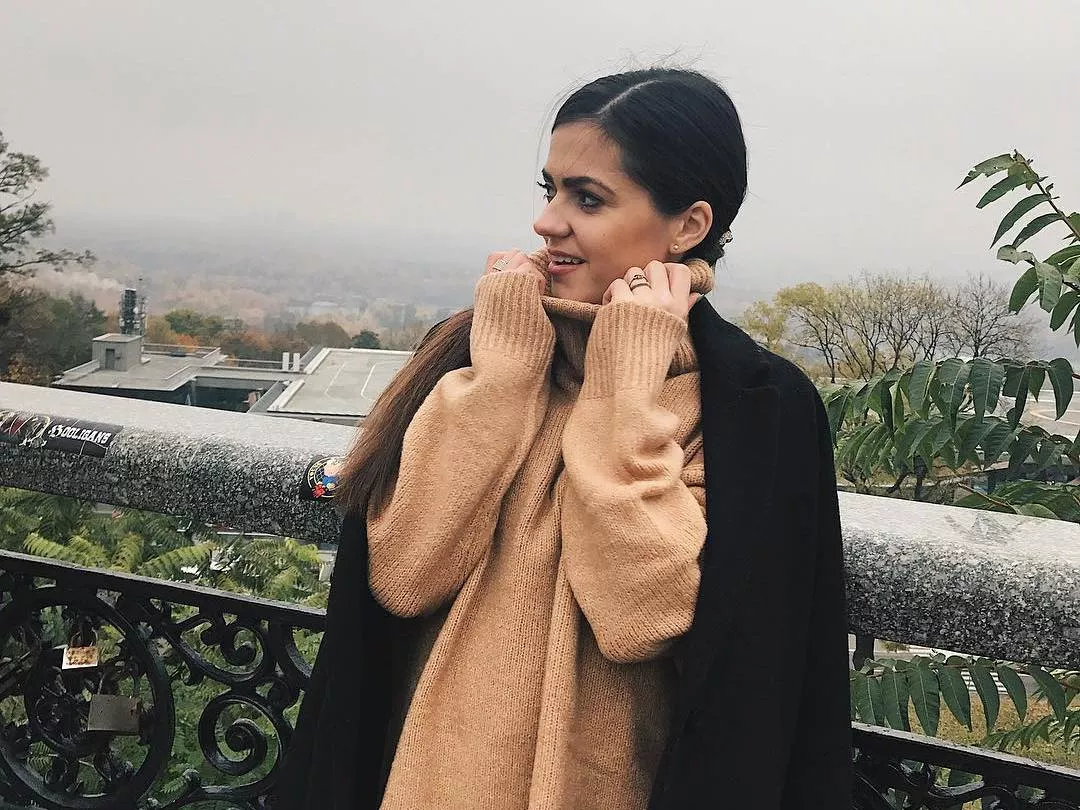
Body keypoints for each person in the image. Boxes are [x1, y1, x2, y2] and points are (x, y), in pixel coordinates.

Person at [274, 67, 851, 810]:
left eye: (588, 199)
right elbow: (406, 575)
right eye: (549, 191)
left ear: (688, 226)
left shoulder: (754, 406)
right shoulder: (480, 353)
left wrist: (622, 390)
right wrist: (502, 376)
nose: (548, 223)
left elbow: (643, 619)